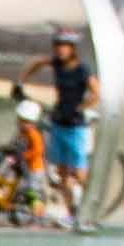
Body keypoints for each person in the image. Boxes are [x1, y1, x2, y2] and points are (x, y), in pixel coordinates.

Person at [36, 28, 99, 222]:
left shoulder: (82, 69)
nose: (60, 50)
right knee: (62, 173)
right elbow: (37, 63)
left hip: (75, 126)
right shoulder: (56, 64)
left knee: (79, 173)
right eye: (58, 46)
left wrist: (81, 107)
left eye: (64, 46)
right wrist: (21, 81)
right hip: (59, 122)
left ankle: (93, 206)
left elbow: (97, 93)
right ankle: (72, 211)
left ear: (72, 48)